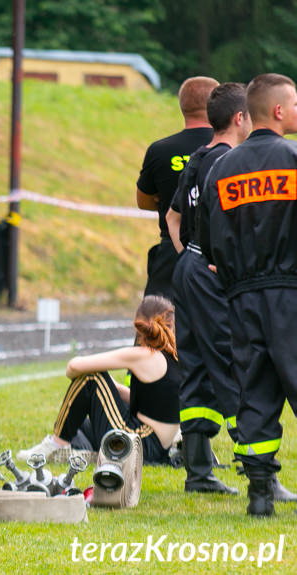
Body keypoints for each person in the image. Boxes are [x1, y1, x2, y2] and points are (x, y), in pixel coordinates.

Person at [198, 73, 297, 517]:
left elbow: (210, 243)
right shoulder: (294, 159)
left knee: (254, 392)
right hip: (290, 293)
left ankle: (260, 495)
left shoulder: (221, 168)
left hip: (240, 298)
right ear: (278, 111)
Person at [166, 83, 249, 496]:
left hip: (188, 268)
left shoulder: (198, 158)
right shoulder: (233, 163)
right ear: (240, 118)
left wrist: (190, 255)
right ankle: (258, 470)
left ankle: (199, 473)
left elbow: (172, 214)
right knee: (234, 362)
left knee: (196, 367)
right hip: (210, 273)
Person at [18, 296, 180, 466]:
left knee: (91, 378)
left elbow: (73, 366)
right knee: (75, 422)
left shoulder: (145, 355)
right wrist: (109, 386)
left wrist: (97, 375)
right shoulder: (174, 356)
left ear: (139, 324)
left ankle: (55, 446)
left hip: (141, 444)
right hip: (153, 446)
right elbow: (149, 402)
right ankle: (83, 452)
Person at [136, 76, 218, 301]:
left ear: (182, 106)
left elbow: (143, 202)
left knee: (158, 328)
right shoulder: (228, 151)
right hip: (215, 256)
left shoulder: (160, 150)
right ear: (217, 106)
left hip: (171, 251)